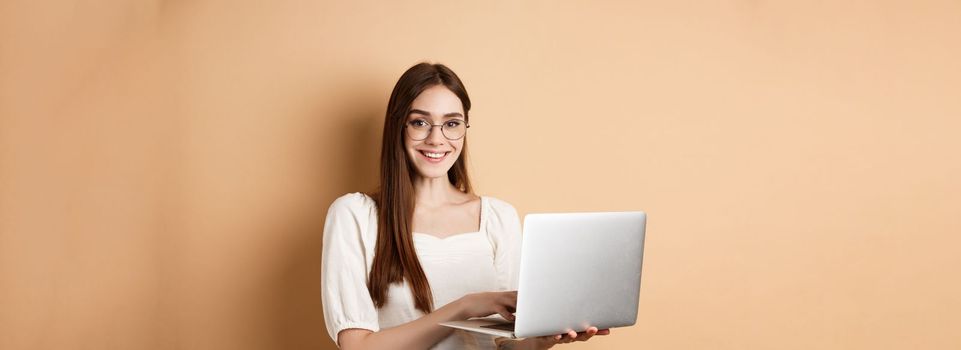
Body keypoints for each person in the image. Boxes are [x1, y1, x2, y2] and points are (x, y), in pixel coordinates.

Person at [321, 63, 608, 349]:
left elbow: (505, 345)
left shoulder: (498, 217)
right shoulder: (355, 215)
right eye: (420, 122)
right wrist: (466, 307)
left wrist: (540, 341)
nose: (436, 139)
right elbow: (357, 346)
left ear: (464, 128)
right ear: (399, 126)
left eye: (452, 123)